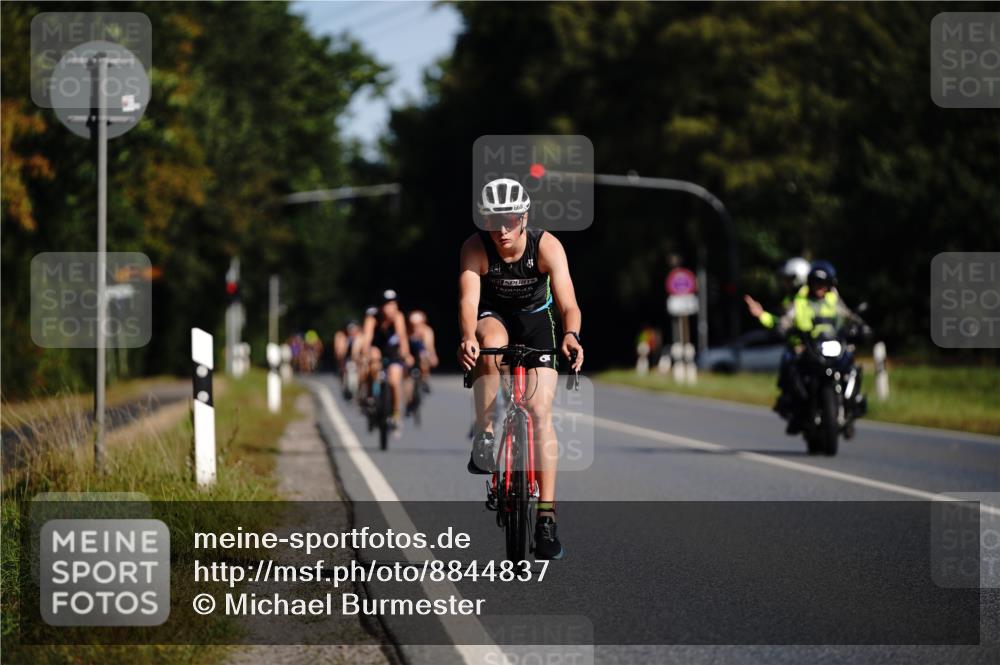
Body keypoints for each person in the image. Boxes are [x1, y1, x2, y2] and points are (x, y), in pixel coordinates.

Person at [458, 177, 584, 560]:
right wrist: (468, 337)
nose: (501, 229)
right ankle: (485, 435)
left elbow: (568, 304)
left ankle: (546, 519)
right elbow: (467, 299)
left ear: (524, 216)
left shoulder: (546, 245)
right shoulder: (475, 247)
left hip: (535, 321)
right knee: (489, 341)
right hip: (494, 317)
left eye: (509, 219)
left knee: (540, 412)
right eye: (493, 220)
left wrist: (572, 335)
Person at [773, 260, 858, 433]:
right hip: (808, 346)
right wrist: (783, 327)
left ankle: (851, 405)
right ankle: (793, 408)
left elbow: (848, 316)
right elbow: (787, 317)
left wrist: (859, 326)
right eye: (816, 283)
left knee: (850, 363)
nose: (819, 287)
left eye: (823, 284)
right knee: (792, 364)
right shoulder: (799, 300)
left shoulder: (833, 298)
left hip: (831, 343)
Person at [361, 291, 412, 430]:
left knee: (394, 381)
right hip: (377, 349)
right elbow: (367, 337)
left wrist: (406, 354)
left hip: (392, 352)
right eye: (387, 304)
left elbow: (402, 338)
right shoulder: (372, 318)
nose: (391, 308)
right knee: (373, 359)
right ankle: (371, 397)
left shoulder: (398, 317)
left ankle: (395, 413)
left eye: (393, 304)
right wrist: (364, 352)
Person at [743, 257, 811, 332]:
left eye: (788, 279)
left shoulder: (810, 297)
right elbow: (782, 324)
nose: (784, 284)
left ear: (799, 278)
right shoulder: (789, 299)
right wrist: (761, 314)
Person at [406, 310, 438, 392]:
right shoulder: (407, 331)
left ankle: (424, 378)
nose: (415, 327)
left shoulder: (427, 331)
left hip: (421, 353)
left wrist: (433, 356)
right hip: (409, 353)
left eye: (418, 324)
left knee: (424, 355)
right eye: (412, 324)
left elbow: (429, 347)